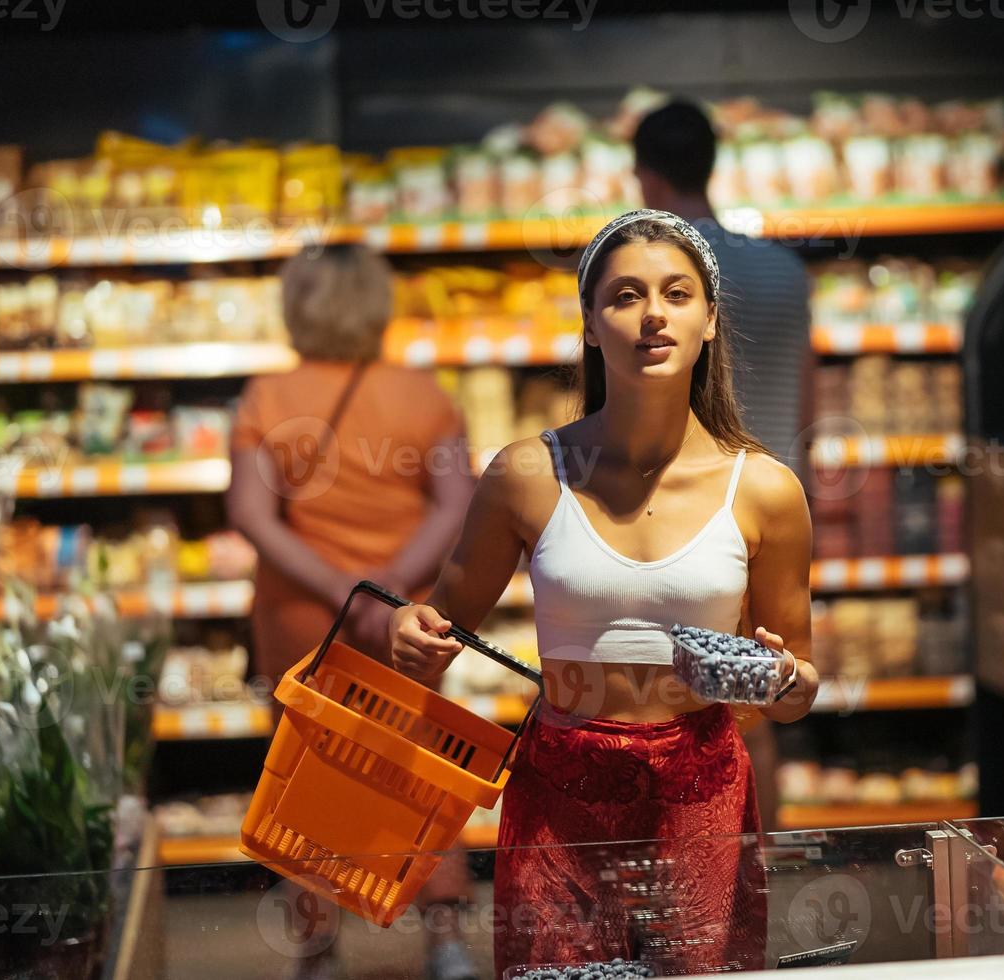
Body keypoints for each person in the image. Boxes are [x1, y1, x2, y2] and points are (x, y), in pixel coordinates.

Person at [387, 211, 819, 977]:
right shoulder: (527, 473)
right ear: (589, 324)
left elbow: (796, 689)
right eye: (624, 295)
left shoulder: (764, 490)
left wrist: (784, 680)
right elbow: (441, 624)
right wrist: (411, 633)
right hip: (561, 785)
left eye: (676, 294)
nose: (653, 313)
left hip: (702, 782)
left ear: (708, 320)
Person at [226, 243, 479, 980]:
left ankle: (317, 950)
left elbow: (252, 515)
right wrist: (389, 588)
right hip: (407, 624)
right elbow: (457, 505)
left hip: (305, 617)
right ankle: (446, 942)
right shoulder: (424, 394)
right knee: (420, 771)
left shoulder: (268, 396)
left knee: (306, 778)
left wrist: (342, 593)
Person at [633, 99, 815, 835]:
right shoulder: (782, 272)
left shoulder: (657, 279)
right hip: (771, 508)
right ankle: (754, 860)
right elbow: (810, 399)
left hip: (683, 516)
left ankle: (684, 871)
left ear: (645, 178)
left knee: (665, 714)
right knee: (757, 708)